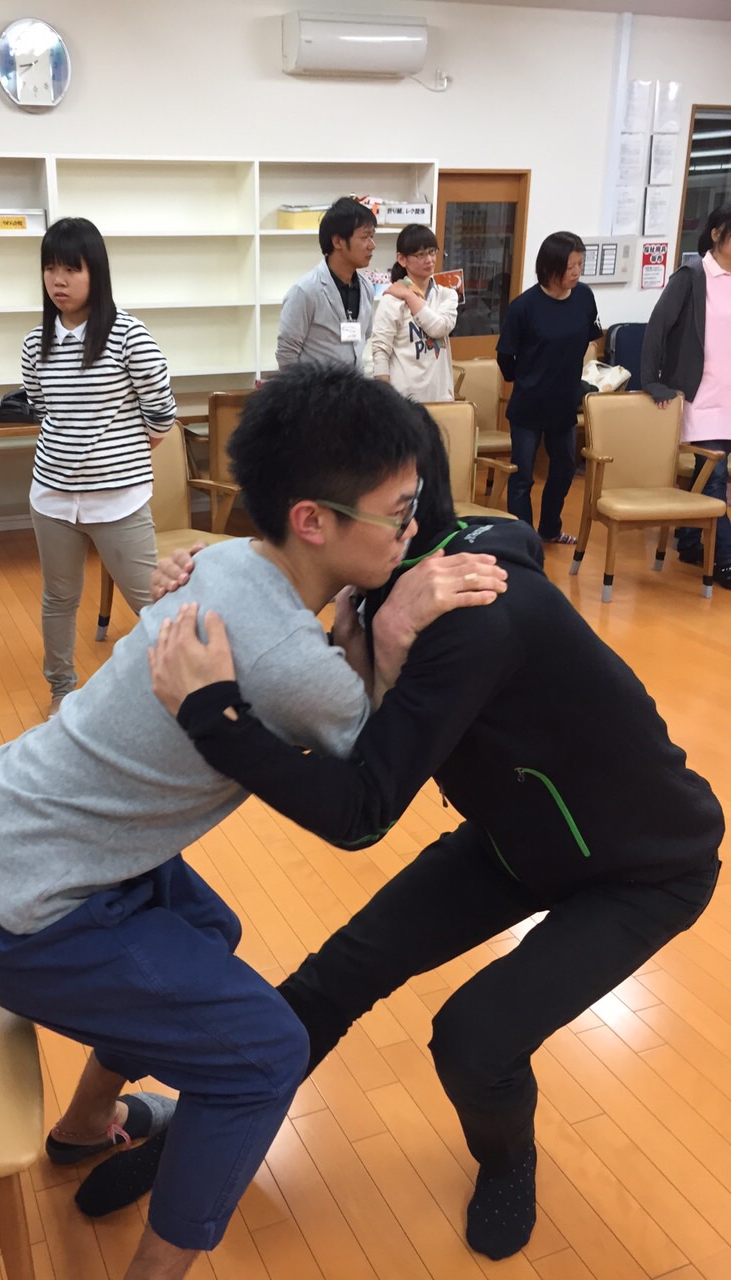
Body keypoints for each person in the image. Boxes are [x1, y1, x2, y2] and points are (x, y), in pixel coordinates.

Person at [0, 365, 506, 1280]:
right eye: (400, 514)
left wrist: (359, 616)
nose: (413, 531)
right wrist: (391, 634)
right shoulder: (286, 657)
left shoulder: (226, 559)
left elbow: (311, 664)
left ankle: (86, 1124)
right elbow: (369, 763)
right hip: (12, 904)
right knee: (265, 1053)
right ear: (312, 520)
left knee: (206, 929)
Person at [145, 405, 723, 1264]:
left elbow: (361, 812)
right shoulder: (391, 576)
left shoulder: (471, 610)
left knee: (474, 1040)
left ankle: (508, 1157)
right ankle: (198, 1134)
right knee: (333, 976)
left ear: (402, 508)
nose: (289, 537)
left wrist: (213, 717)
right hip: (516, 836)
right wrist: (201, 575)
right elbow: (297, 596)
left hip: (643, 868)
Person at [22, 217, 176, 716]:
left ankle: (184, 688)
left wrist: (120, 455)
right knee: (59, 598)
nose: (59, 280)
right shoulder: (35, 343)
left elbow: (161, 412)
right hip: (52, 497)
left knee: (152, 601)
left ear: (97, 273)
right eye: (50, 268)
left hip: (118, 499)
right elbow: (42, 408)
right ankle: (61, 689)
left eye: (72, 269)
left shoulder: (129, 335)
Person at [642, 203, 731, 591]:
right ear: (716, 234)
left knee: (707, 475)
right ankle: (725, 561)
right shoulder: (692, 276)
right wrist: (653, 382)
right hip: (702, 398)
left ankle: (692, 542)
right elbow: (656, 329)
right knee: (715, 479)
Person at [497, 231, 602, 544]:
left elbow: (588, 338)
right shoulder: (524, 307)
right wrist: (525, 379)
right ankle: (523, 538)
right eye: (570, 266)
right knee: (522, 475)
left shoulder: (584, 298)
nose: (576, 272)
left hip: (564, 403)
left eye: (580, 264)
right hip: (528, 405)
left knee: (564, 469)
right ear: (549, 267)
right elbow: (505, 356)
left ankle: (550, 528)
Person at [275, 196, 376, 371]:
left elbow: (364, 337)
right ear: (337, 241)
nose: (372, 245)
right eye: (365, 237)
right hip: (314, 387)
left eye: (372, 237)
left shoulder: (366, 288)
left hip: (353, 385)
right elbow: (286, 353)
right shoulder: (306, 291)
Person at [371, 222, 458, 401]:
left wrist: (409, 296)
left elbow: (440, 328)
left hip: (440, 399)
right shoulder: (392, 300)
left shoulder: (447, 295)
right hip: (403, 402)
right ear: (402, 259)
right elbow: (380, 350)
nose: (429, 260)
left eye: (432, 252)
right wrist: (385, 397)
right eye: (420, 254)